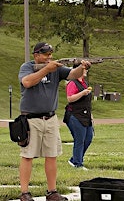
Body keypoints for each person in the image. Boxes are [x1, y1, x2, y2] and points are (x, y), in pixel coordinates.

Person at [18, 42, 91, 201]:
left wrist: (82, 67)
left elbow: (72, 74)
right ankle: (24, 193)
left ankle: (52, 192)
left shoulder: (56, 69)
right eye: (45, 55)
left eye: (50, 55)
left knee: (52, 155)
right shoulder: (27, 67)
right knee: (28, 155)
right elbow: (27, 82)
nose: (49, 58)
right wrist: (46, 69)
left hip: (50, 118)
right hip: (31, 119)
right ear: (36, 55)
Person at [64, 63, 93, 170]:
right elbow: (70, 98)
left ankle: (74, 159)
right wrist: (82, 93)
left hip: (86, 115)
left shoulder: (84, 83)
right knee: (79, 139)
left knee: (88, 138)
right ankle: (77, 163)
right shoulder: (72, 83)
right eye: (84, 69)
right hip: (75, 115)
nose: (86, 71)